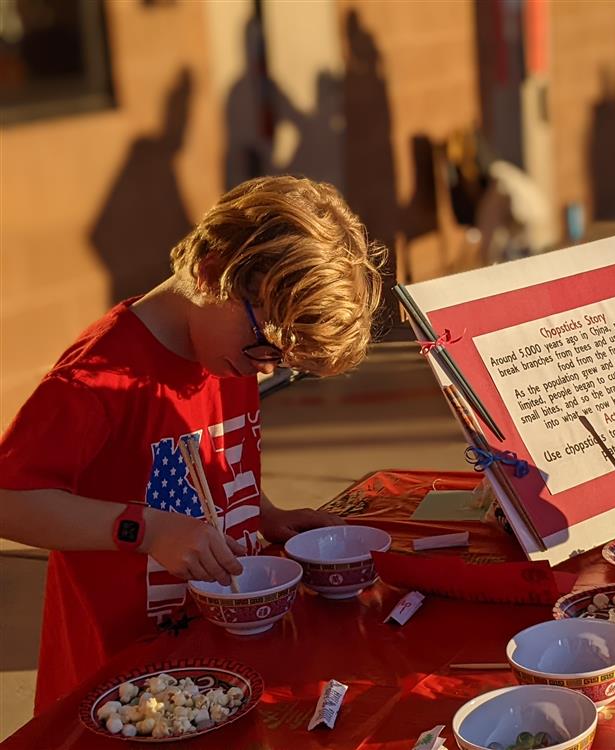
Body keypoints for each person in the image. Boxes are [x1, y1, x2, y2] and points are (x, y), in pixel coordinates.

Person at [0, 175, 386, 714]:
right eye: (267, 345)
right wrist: (147, 529)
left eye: (281, 359)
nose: (267, 366)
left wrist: (263, 513)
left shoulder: (226, 350)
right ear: (212, 273)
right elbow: (11, 502)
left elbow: (209, 466)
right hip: (123, 690)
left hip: (217, 662)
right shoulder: (98, 380)